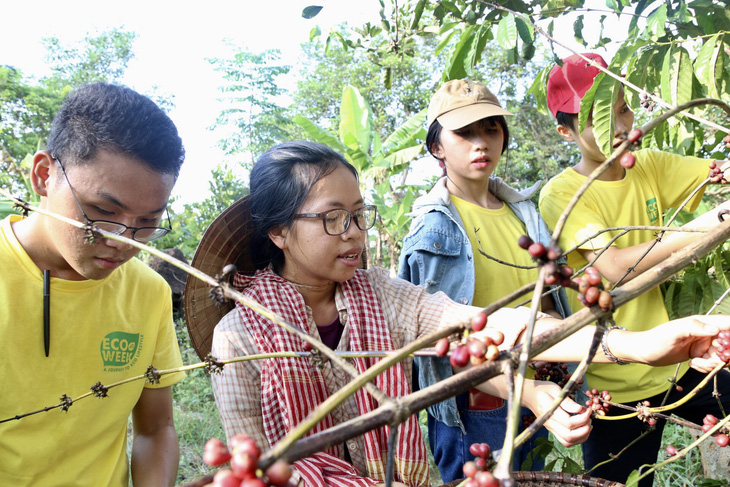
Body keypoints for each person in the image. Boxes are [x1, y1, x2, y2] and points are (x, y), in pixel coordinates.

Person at [193, 140, 729, 487]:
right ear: (279, 232)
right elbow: (253, 461)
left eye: (359, 215)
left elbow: (489, 324)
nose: (354, 233)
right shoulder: (241, 337)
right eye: (333, 219)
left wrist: (634, 344)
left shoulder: (378, 295)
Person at [538, 52, 730, 486]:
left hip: (681, 364)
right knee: (616, 480)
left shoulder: (650, 166)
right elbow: (617, 267)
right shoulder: (563, 194)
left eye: (622, 107)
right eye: (600, 117)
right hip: (617, 381)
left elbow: (719, 173)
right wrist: (714, 224)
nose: (620, 124)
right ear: (565, 132)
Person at [0, 83, 187, 486]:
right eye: (103, 211)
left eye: (147, 223)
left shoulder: (148, 293)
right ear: (44, 175)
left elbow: (156, 429)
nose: (123, 240)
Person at [397, 79, 572, 481]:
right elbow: (439, 340)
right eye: (464, 132)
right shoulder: (433, 231)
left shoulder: (524, 214)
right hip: (478, 406)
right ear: (436, 146)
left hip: (538, 389)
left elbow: (547, 301)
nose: (482, 143)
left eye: (491, 128)